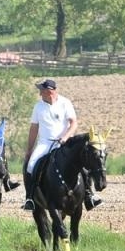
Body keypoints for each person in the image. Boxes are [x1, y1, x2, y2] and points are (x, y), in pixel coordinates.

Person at [23, 78, 98, 212]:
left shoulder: (65, 103)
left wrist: (65, 137)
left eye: (42, 91)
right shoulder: (38, 107)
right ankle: (30, 198)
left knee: (82, 166)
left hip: (65, 142)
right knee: (30, 166)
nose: (40, 94)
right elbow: (34, 129)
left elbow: (74, 123)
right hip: (45, 143)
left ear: (50, 91)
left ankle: (89, 195)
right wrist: (29, 149)